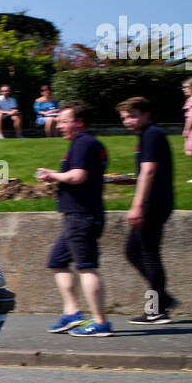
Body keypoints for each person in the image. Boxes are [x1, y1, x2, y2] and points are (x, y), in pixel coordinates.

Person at [34, 102, 113, 337]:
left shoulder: (83, 143)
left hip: (81, 215)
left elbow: (78, 176)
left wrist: (52, 175)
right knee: (57, 261)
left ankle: (101, 322)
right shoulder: (91, 143)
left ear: (79, 122)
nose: (59, 125)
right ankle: (72, 313)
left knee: (87, 267)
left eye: (63, 121)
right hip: (79, 215)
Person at [115, 97, 178, 324]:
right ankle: (163, 299)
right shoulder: (147, 136)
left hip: (152, 204)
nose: (127, 121)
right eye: (124, 118)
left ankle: (157, 309)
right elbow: (148, 173)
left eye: (132, 116)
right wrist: (127, 182)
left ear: (146, 114)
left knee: (148, 255)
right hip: (155, 201)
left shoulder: (151, 134)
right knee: (134, 252)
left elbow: (150, 172)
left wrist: (137, 205)